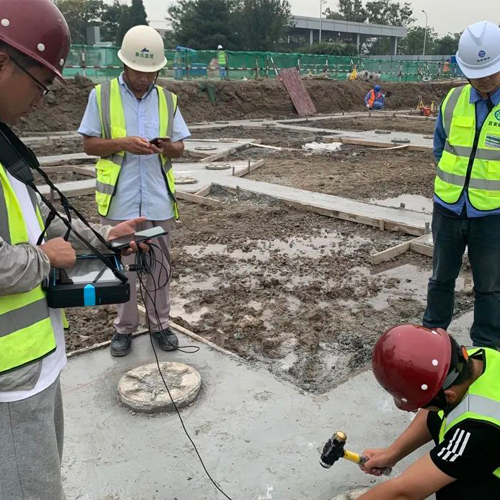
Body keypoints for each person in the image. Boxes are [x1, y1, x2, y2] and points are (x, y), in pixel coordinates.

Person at [0, 2, 146, 498]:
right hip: (9, 376)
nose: (42, 97)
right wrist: (45, 260)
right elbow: (38, 249)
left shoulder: (3, 145)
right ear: (2, 61)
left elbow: (44, 225)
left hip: (31, 364)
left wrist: (101, 240)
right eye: (40, 81)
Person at [79, 25, 191, 357]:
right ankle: (124, 329)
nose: (145, 78)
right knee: (124, 270)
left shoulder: (168, 100)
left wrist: (168, 148)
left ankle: (160, 325)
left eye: (151, 72)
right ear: (124, 64)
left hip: (157, 201)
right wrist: (122, 144)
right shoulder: (101, 96)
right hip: (119, 202)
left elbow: (181, 147)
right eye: (139, 71)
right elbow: (89, 145)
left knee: (159, 268)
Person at [355, 324, 500, 500]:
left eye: (422, 404)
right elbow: (434, 409)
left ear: (449, 396)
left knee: (456, 489)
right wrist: (392, 453)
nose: (417, 409)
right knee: (438, 412)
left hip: (488, 442)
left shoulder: (477, 428)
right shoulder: (477, 358)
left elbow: (405, 492)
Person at [423, 21, 500, 348]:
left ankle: (487, 349)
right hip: (449, 208)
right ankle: (431, 340)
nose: (484, 79)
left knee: (490, 287)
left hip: (492, 216)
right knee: (441, 278)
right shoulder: (453, 101)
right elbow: (440, 146)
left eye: (491, 73)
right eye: (477, 73)